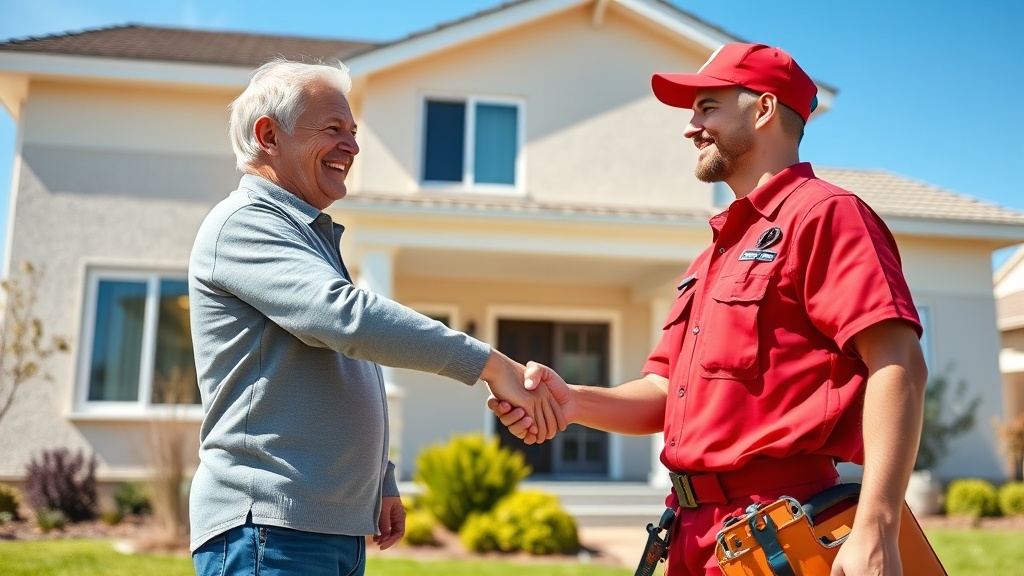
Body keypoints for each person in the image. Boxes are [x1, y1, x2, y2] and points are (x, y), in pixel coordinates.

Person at [492, 43, 928, 576]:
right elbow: (662, 393)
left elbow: (899, 363)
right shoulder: (710, 257)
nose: (690, 127)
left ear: (764, 109)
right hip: (690, 532)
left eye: (708, 107)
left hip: (781, 528)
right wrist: (573, 400)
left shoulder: (826, 215)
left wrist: (877, 527)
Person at [187, 58, 564, 576]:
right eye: (333, 129)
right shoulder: (244, 224)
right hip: (268, 529)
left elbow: (345, 361)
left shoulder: (306, 235)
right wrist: (489, 364)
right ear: (268, 135)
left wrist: (379, 479)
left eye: (354, 132)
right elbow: (346, 320)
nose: (353, 146)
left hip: (322, 527)